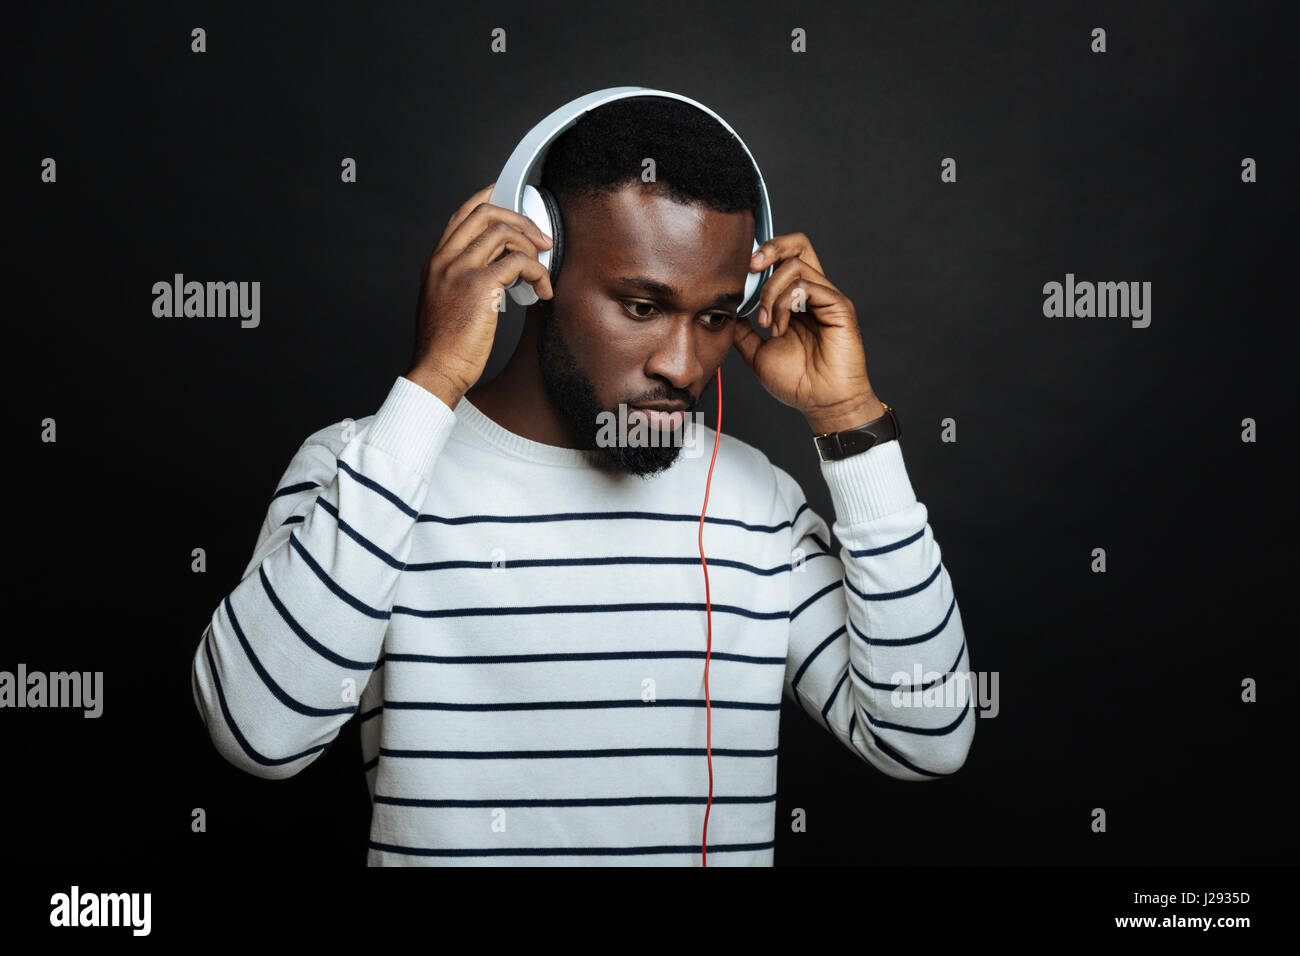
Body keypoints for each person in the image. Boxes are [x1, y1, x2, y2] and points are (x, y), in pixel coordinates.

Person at [190, 96, 974, 866]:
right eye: (641, 305)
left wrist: (850, 419)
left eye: (711, 317)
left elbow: (925, 738)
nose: (683, 364)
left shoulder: (754, 505)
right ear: (536, 273)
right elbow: (261, 736)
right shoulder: (365, 467)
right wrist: (430, 386)